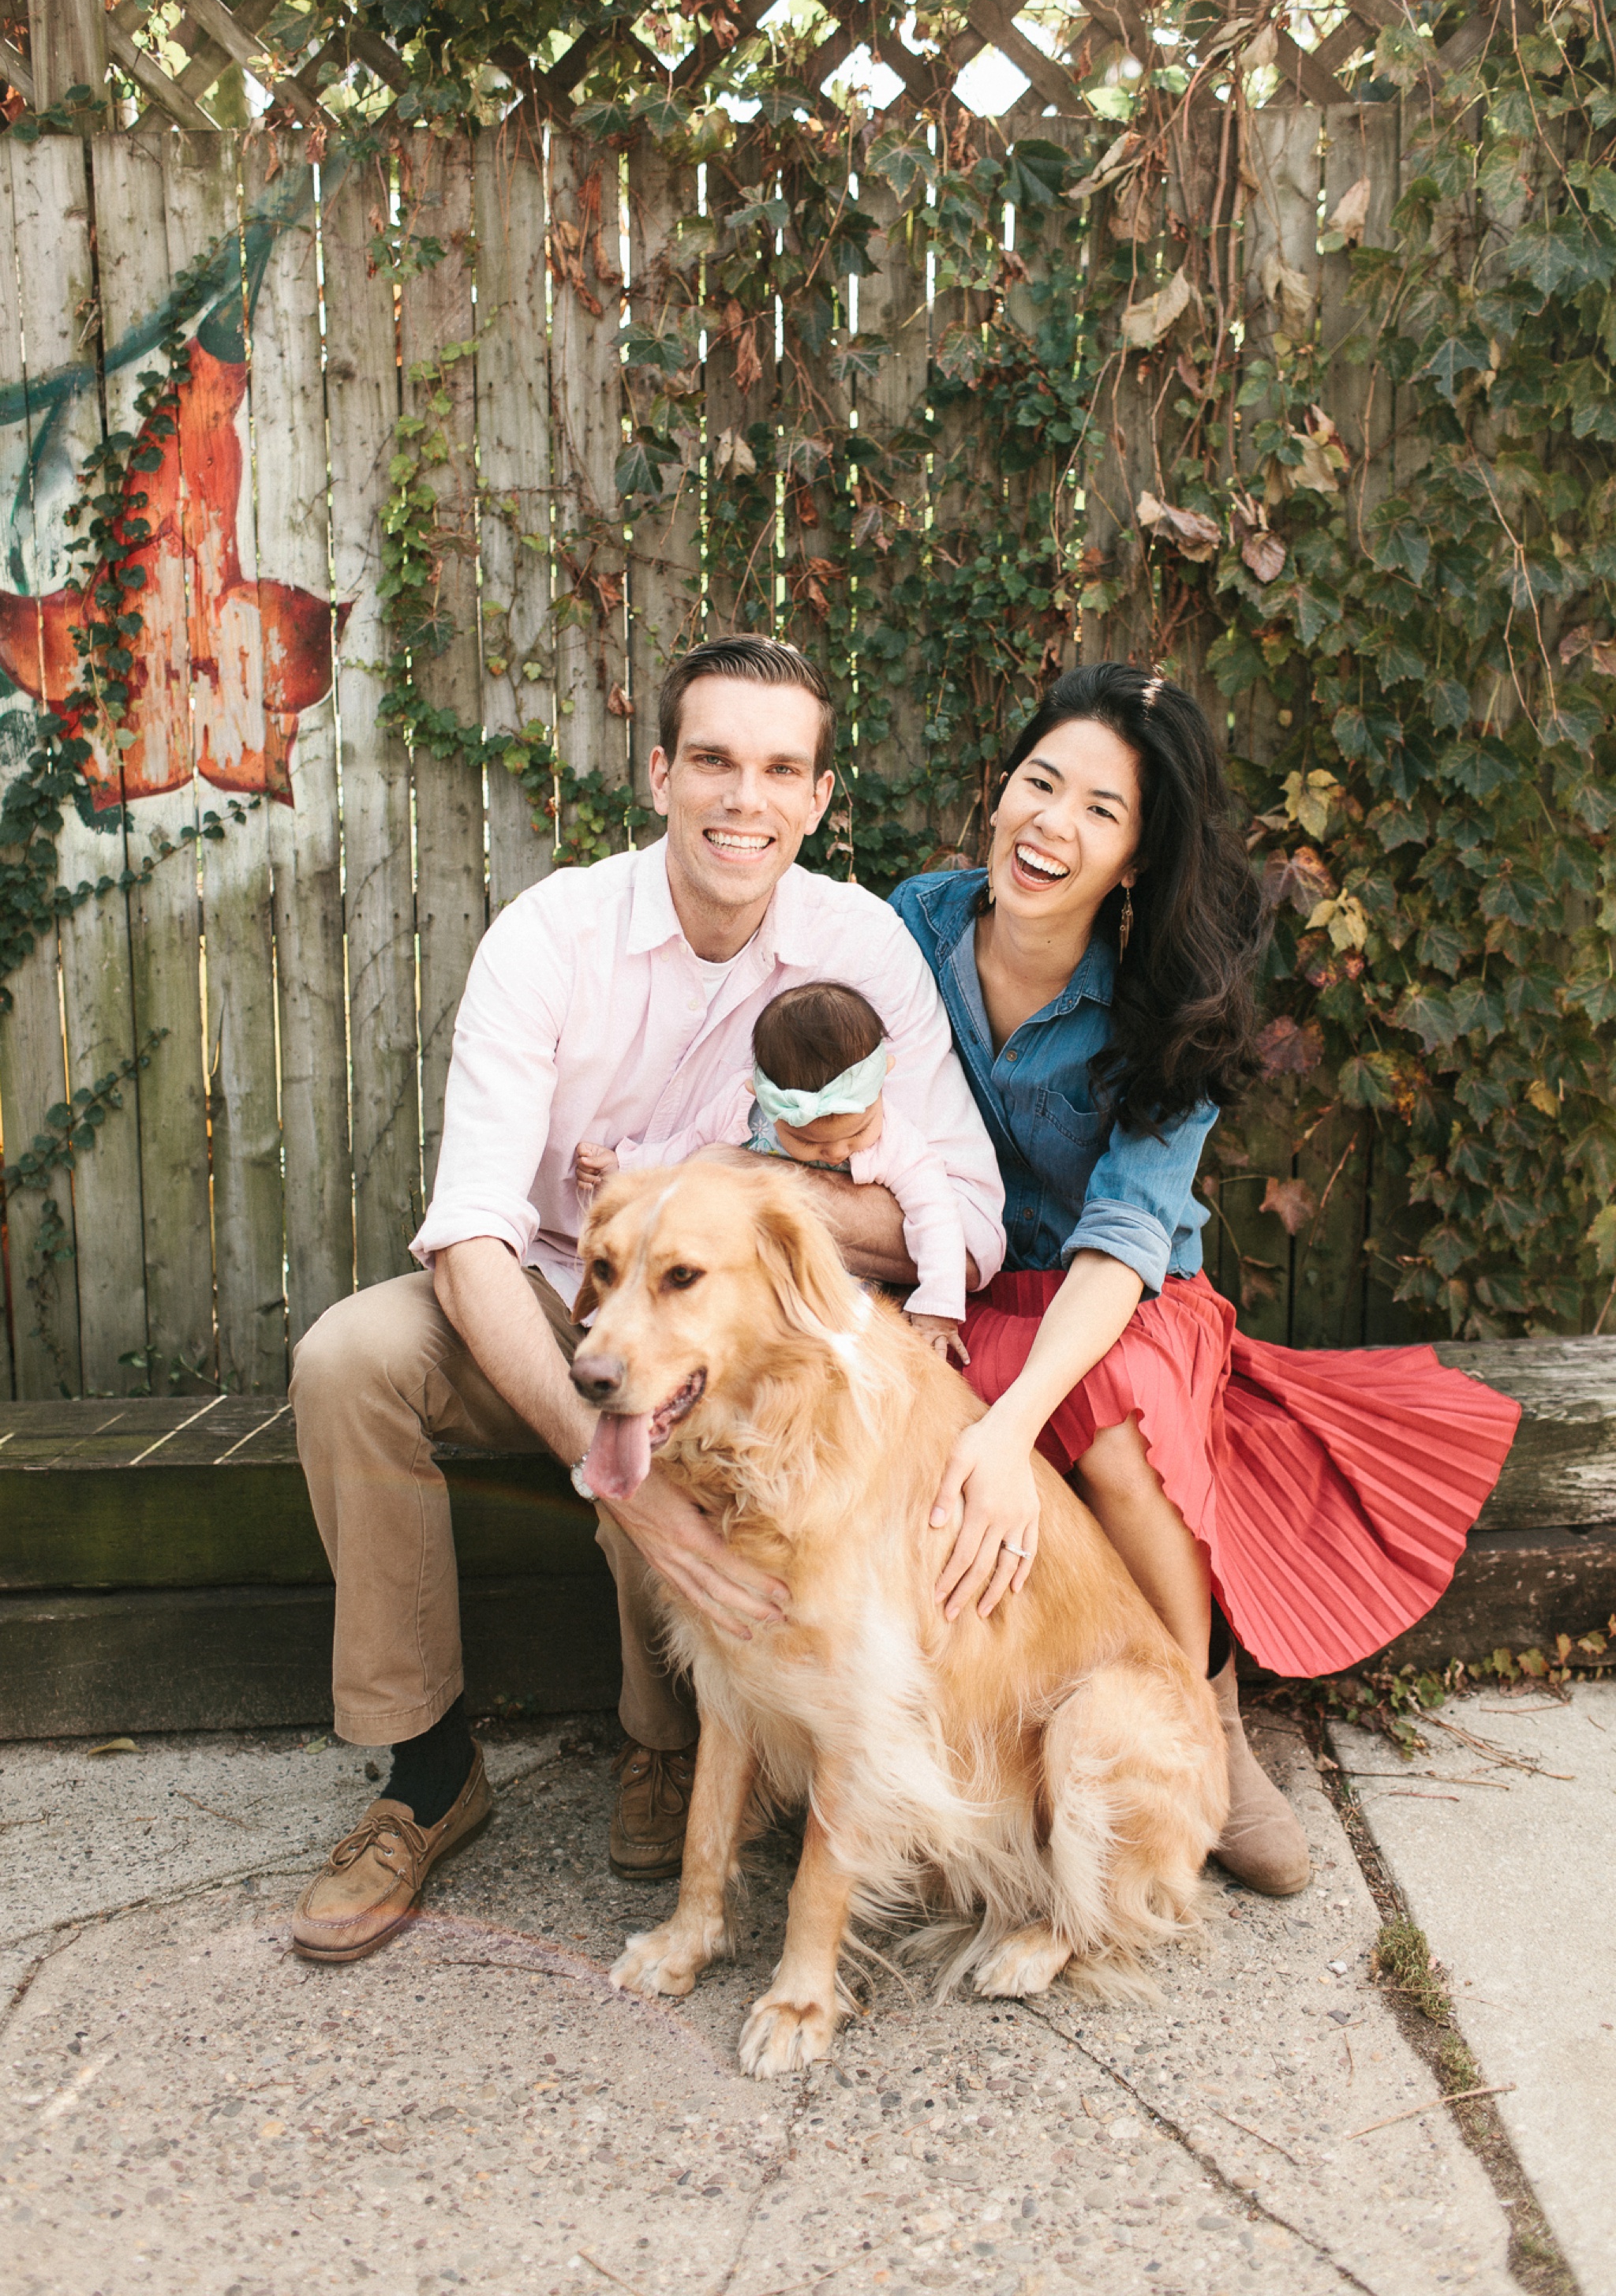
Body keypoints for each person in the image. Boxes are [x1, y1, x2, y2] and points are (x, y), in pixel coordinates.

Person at [286, 635, 1005, 1963]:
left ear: (818, 798)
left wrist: (726, 1185)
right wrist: (618, 1471)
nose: (746, 799)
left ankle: (666, 1749)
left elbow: (961, 1209)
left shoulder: (860, 950)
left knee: (680, 1407)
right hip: (551, 1297)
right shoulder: (551, 937)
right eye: (716, 761)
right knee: (347, 1359)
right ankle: (427, 1776)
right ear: (662, 773)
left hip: (733, 1333)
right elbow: (469, 1237)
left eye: (780, 768)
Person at [889, 661, 1521, 1897]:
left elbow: (1122, 1242)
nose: (1051, 825)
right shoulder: (912, 925)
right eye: (1039, 783)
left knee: (1111, 1408)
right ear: (1002, 790)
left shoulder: (1165, 1000)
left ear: (1133, 859)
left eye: (1100, 810)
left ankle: (1202, 1727)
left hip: (1119, 1302)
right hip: (961, 1278)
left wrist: (1012, 1430)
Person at [578, 980, 969, 1361]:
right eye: (810, 1142)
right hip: (757, 1276)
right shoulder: (740, 1110)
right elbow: (690, 1147)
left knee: (845, 1346)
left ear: (885, 1081)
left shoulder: (896, 1139)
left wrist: (937, 1305)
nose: (836, 1152)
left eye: (857, 1133)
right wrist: (626, 1165)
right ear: (760, 1098)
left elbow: (936, 1214)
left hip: (844, 1278)